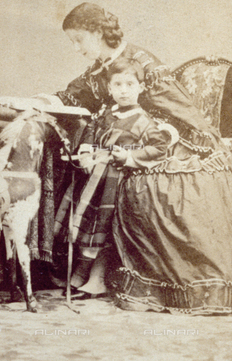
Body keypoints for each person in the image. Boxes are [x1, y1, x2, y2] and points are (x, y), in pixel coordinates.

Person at [51, 2, 232, 314]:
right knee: (91, 164)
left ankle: (103, 271)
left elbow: (178, 112)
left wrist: (150, 142)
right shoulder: (99, 68)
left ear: (96, 33)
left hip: (165, 138)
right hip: (125, 137)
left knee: (132, 181)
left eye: (79, 40)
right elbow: (74, 95)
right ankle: (90, 268)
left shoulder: (140, 60)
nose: (77, 48)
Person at [69, 58, 176, 293]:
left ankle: (97, 277)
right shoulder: (107, 114)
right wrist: (86, 153)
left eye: (130, 84)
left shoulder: (144, 121)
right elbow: (90, 132)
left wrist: (128, 157)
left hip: (118, 181)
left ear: (141, 87)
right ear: (109, 88)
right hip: (95, 179)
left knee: (104, 226)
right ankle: (80, 271)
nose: (124, 90)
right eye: (117, 85)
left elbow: (159, 148)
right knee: (86, 222)